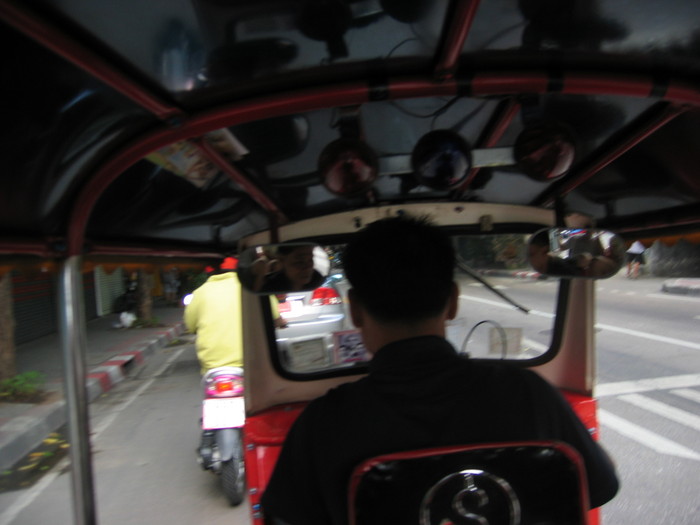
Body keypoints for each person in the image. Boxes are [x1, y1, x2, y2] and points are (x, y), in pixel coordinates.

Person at [261, 216, 619, 525]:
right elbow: (599, 486)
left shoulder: (323, 425)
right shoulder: (528, 393)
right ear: (452, 301)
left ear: (355, 311)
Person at [184, 257, 242, 374]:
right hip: (253, 360)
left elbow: (190, 327)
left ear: (209, 273)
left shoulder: (199, 293)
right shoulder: (251, 287)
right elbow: (275, 317)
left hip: (212, 365)